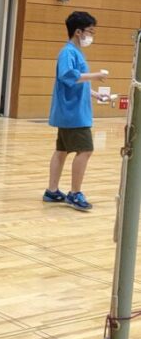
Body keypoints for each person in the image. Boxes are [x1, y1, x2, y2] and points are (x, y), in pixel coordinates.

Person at [43, 11, 110, 211]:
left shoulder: (75, 52)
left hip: (70, 112)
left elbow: (78, 82)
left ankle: (52, 191)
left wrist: (95, 94)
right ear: (78, 32)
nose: (91, 36)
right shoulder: (68, 52)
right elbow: (68, 76)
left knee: (62, 150)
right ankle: (74, 193)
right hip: (73, 114)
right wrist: (95, 75)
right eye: (90, 31)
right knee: (86, 150)